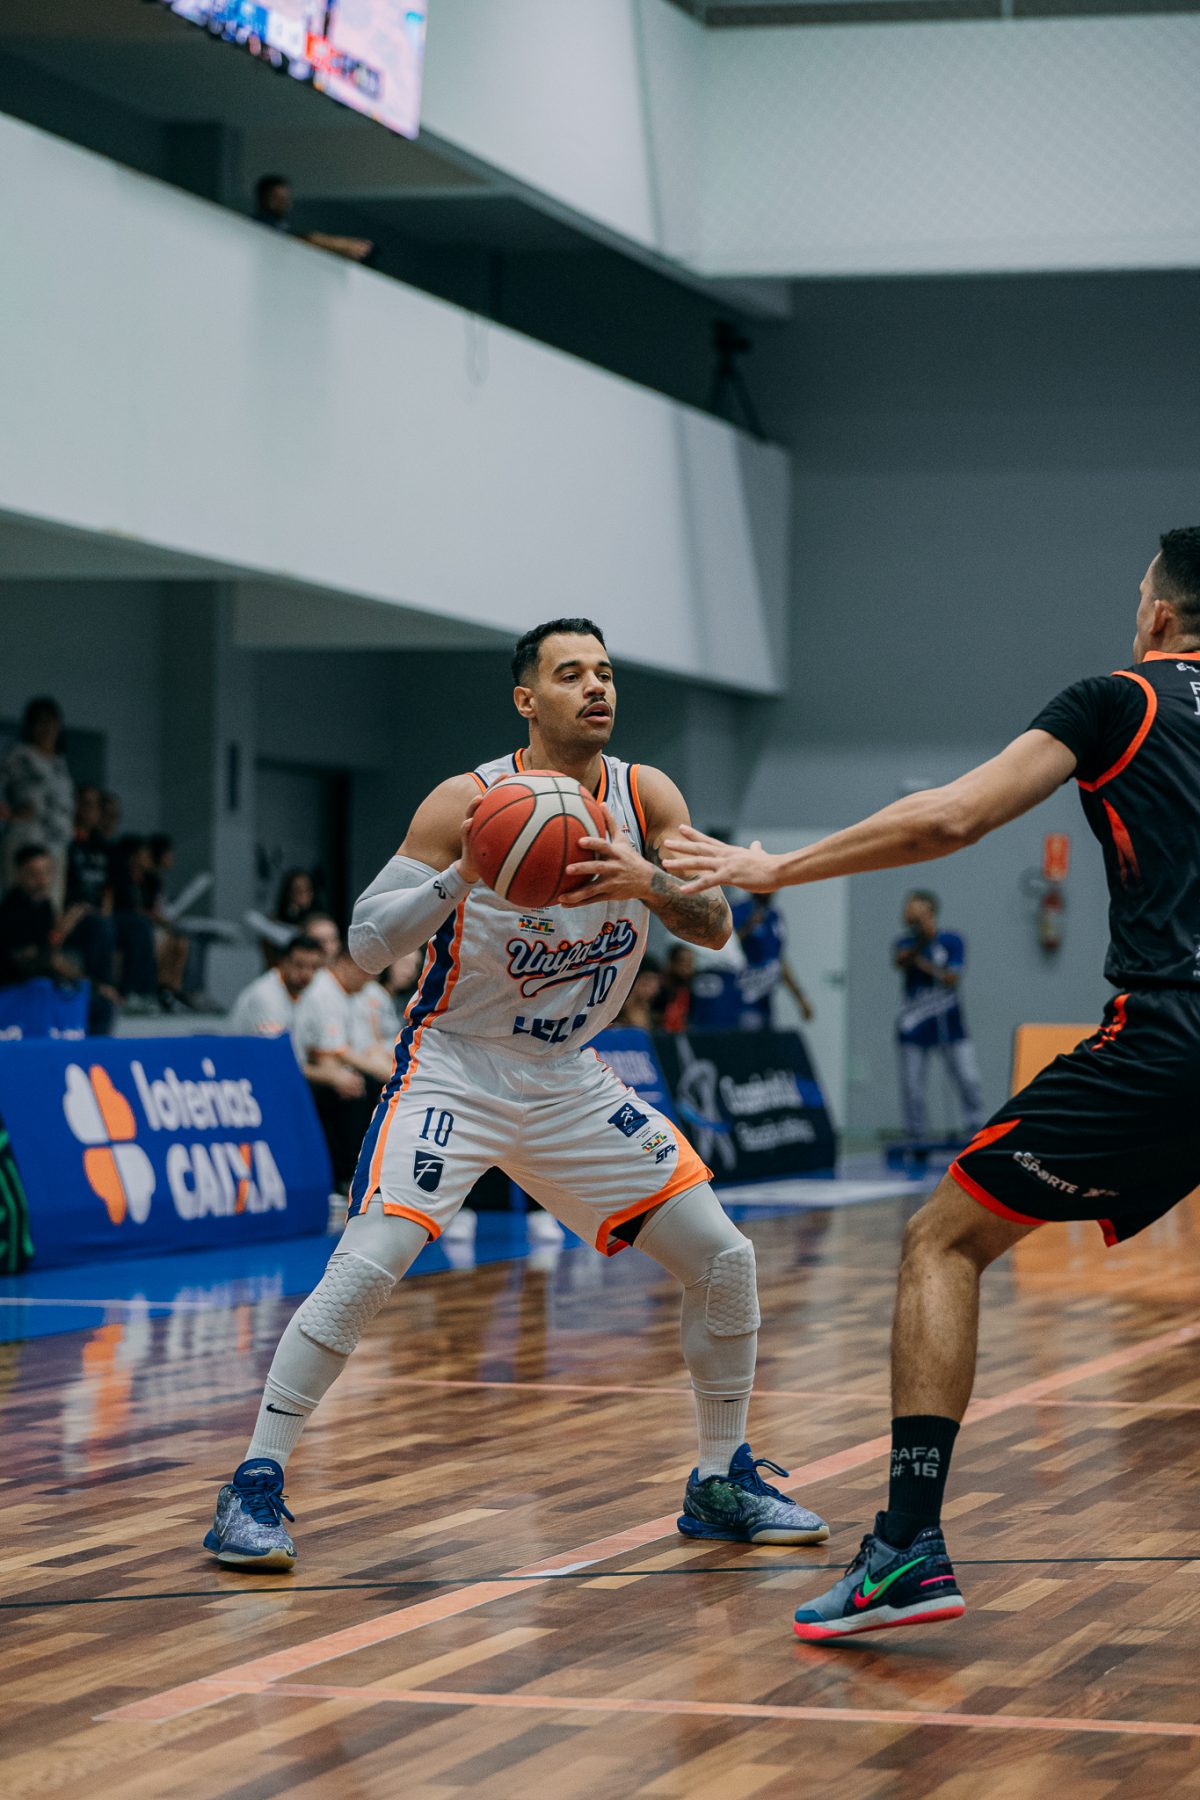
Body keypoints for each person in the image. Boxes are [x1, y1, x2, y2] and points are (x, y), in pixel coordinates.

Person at [665, 526, 1200, 1640]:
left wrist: (775, 867)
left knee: (943, 1241)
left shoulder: (1121, 699)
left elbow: (952, 816)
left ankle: (908, 1547)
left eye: (1137, 596)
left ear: (1159, 616)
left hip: (1173, 1035)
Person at [204, 616, 829, 1569]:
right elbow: (366, 944)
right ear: (526, 699)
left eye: (605, 672)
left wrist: (647, 879)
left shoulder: (646, 794)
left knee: (724, 1259)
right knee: (367, 1266)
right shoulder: (467, 800)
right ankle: (252, 1485)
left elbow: (713, 927)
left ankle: (719, 1480)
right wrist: (465, 872)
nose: (597, 687)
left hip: (569, 1076)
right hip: (455, 1066)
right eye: (571, 673)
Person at [893, 890, 983, 1155]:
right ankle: (917, 1137)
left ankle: (976, 1131)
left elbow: (952, 978)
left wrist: (926, 961)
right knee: (913, 1087)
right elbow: (900, 961)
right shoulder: (904, 942)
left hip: (950, 1025)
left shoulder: (952, 940)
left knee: (968, 1078)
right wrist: (921, 942)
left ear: (929, 909)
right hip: (914, 1026)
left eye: (914, 907)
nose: (908, 912)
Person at [0, 698, 75, 903]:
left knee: (52, 902)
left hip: (57, 842)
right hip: (27, 837)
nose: (46, 728)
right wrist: (9, 813)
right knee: (20, 900)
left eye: (50, 722)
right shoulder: (19, 755)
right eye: (39, 722)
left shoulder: (60, 761)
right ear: (30, 725)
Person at [0, 844, 84, 987]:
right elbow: (35, 962)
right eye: (34, 874)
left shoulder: (44, 905)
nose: (43, 880)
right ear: (19, 874)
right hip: (16, 986)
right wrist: (60, 931)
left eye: (47, 872)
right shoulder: (11, 911)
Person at [731, 891, 814, 1031]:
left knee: (765, 1037)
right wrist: (748, 927)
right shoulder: (738, 910)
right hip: (740, 993)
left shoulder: (775, 915)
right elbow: (725, 948)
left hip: (765, 995)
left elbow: (779, 960)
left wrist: (800, 998)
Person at [253, 174, 373, 264]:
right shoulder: (257, 226)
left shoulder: (283, 224)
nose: (283, 203)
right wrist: (340, 245)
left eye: (285, 198)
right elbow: (300, 240)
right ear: (263, 198)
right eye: (276, 198)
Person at [614, 952, 662, 1031]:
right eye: (647, 983)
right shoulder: (617, 1007)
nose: (655, 990)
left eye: (656, 985)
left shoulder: (647, 1007)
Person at [656, 943, 695, 1032]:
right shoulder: (659, 988)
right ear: (671, 963)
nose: (687, 966)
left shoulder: (693, 989)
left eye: (690, 962)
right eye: (683, 961)